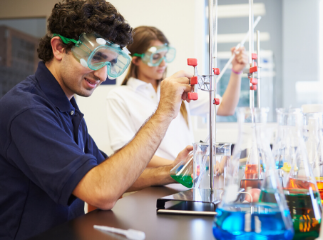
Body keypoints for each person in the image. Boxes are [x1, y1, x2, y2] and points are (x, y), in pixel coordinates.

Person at [0, 1, 194, 239]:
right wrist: (164, 112)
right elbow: (102, 190)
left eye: (111, 63)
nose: (102, 74)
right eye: (96, 58)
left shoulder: (67, 107)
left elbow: (106, 172)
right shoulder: (26, 110)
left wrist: (172, 172)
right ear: (59, 47)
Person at [107, 26, 248, 167]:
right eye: (155, 57)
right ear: (135, 60)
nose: (163, 63)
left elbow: (225, 108)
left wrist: (236, 72)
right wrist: (181, 166)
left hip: (187, 182)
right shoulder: (120, 97)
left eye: (165, 56)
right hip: (155, 185)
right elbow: (124, 153)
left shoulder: (176, 89)